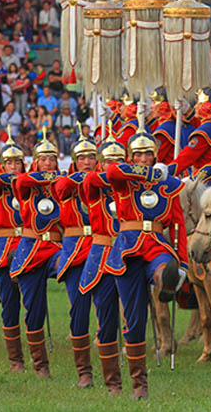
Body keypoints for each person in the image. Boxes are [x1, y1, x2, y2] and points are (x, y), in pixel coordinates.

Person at [106, 124, 187, 400]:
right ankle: (139, 384)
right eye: (138, 154)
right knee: (134, 320)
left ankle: (167, 281)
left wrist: (184, 263)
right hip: (128, 246)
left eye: (148, 154)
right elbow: (113, 170)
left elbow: (178, 224)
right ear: (131, 157)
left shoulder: (168, 184)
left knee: (164, 267)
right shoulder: (123, 178)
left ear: (155, 155)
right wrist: (151, 173)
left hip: (157, 243)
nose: (143, 158)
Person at [10, 133, 63, 378]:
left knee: (74, 271)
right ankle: (40, 365)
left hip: (55, 249)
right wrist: (45, 177)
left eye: (52, 159)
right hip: (30, 250)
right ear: (35, 163)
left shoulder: (61, 184)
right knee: (34, 310)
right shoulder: (26, 183)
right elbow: (21, 183)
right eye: (44, 159)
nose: (49, 164)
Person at [79, 133, 126, 394]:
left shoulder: (133, 186)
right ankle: (112, 382)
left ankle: (136, 375)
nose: (113, 165)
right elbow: (92, 179)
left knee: (132, 314)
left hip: (128, 251)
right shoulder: (93, 181)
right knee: (106, 316)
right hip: (102, 252)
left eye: (119, 161)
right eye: (108, 161)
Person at [53, 134, 99, 387]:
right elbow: (60, 190)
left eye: (91, 157)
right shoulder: (66, 182)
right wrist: (79, 178)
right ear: (74, 162)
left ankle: (112, 373)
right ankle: (84, 372)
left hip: (102, 249)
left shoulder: (105, 182)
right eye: (81, 158)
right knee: (78, 311)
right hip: (75, 252)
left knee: (107, 309)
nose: (87, 162)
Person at [0, 134, 27, 372]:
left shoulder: (29, 185)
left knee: (31, 300)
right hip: (4, 246)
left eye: (17, 162)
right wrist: (3, 176)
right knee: (10, 304)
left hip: (27, 244)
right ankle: (15, 359)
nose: (13, 167)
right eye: (9, 162)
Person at [168, 85, 211, 181]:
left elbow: (187, 157)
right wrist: (188, 112)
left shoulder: (205, 130)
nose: (195, 106)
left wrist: (166, 172)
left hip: (201, 182)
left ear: (206, 106)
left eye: (198, 103)